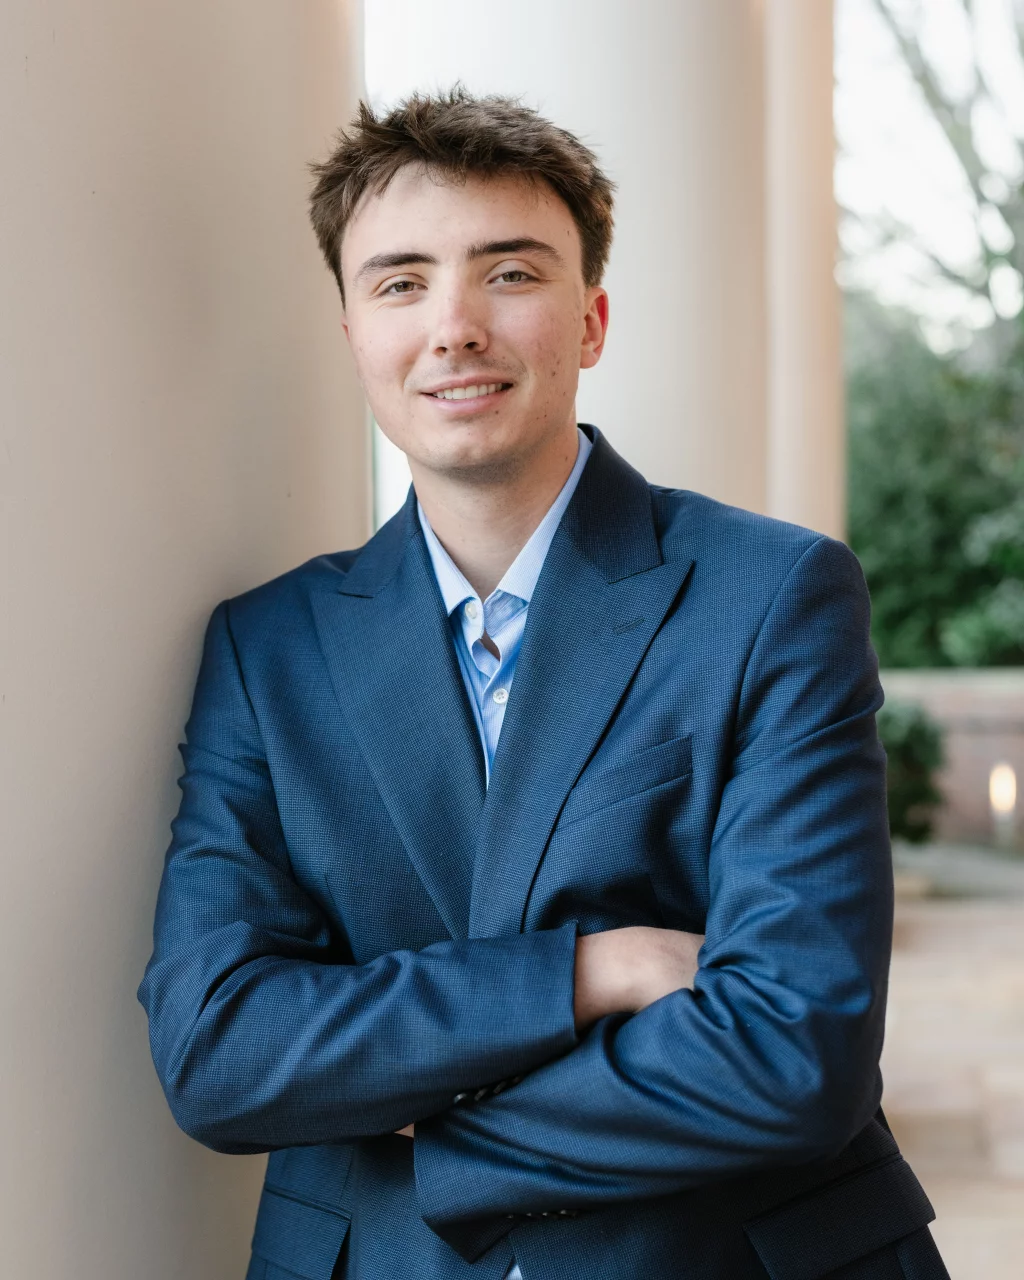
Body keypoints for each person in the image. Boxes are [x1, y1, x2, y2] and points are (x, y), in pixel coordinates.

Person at [139, 89, 949, 1280]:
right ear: (354, 330)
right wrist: (592, 969)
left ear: (592, 317)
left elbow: (792, 1051)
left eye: (508, 272)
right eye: (400, 282)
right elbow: (217, 1050)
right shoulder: (269, 649)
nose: (454, 325)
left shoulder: (772, 594)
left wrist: (429, 1130)